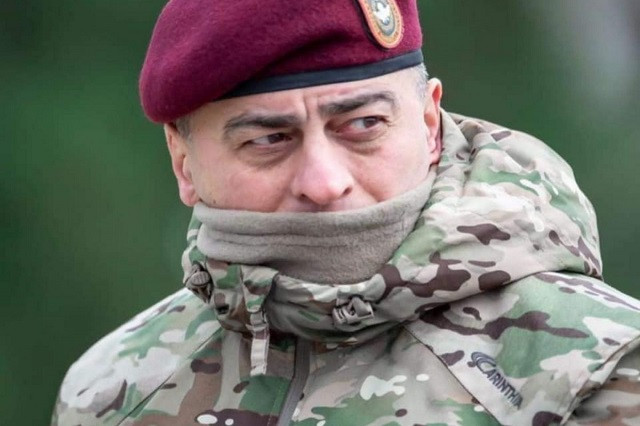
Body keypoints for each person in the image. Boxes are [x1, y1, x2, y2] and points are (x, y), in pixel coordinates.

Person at [52, 1, 640, 425]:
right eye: (268, 139)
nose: (325, 183)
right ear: (183, 163)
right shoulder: (111, 391)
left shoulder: (602, 365)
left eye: (362, 125)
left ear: (430, 126)